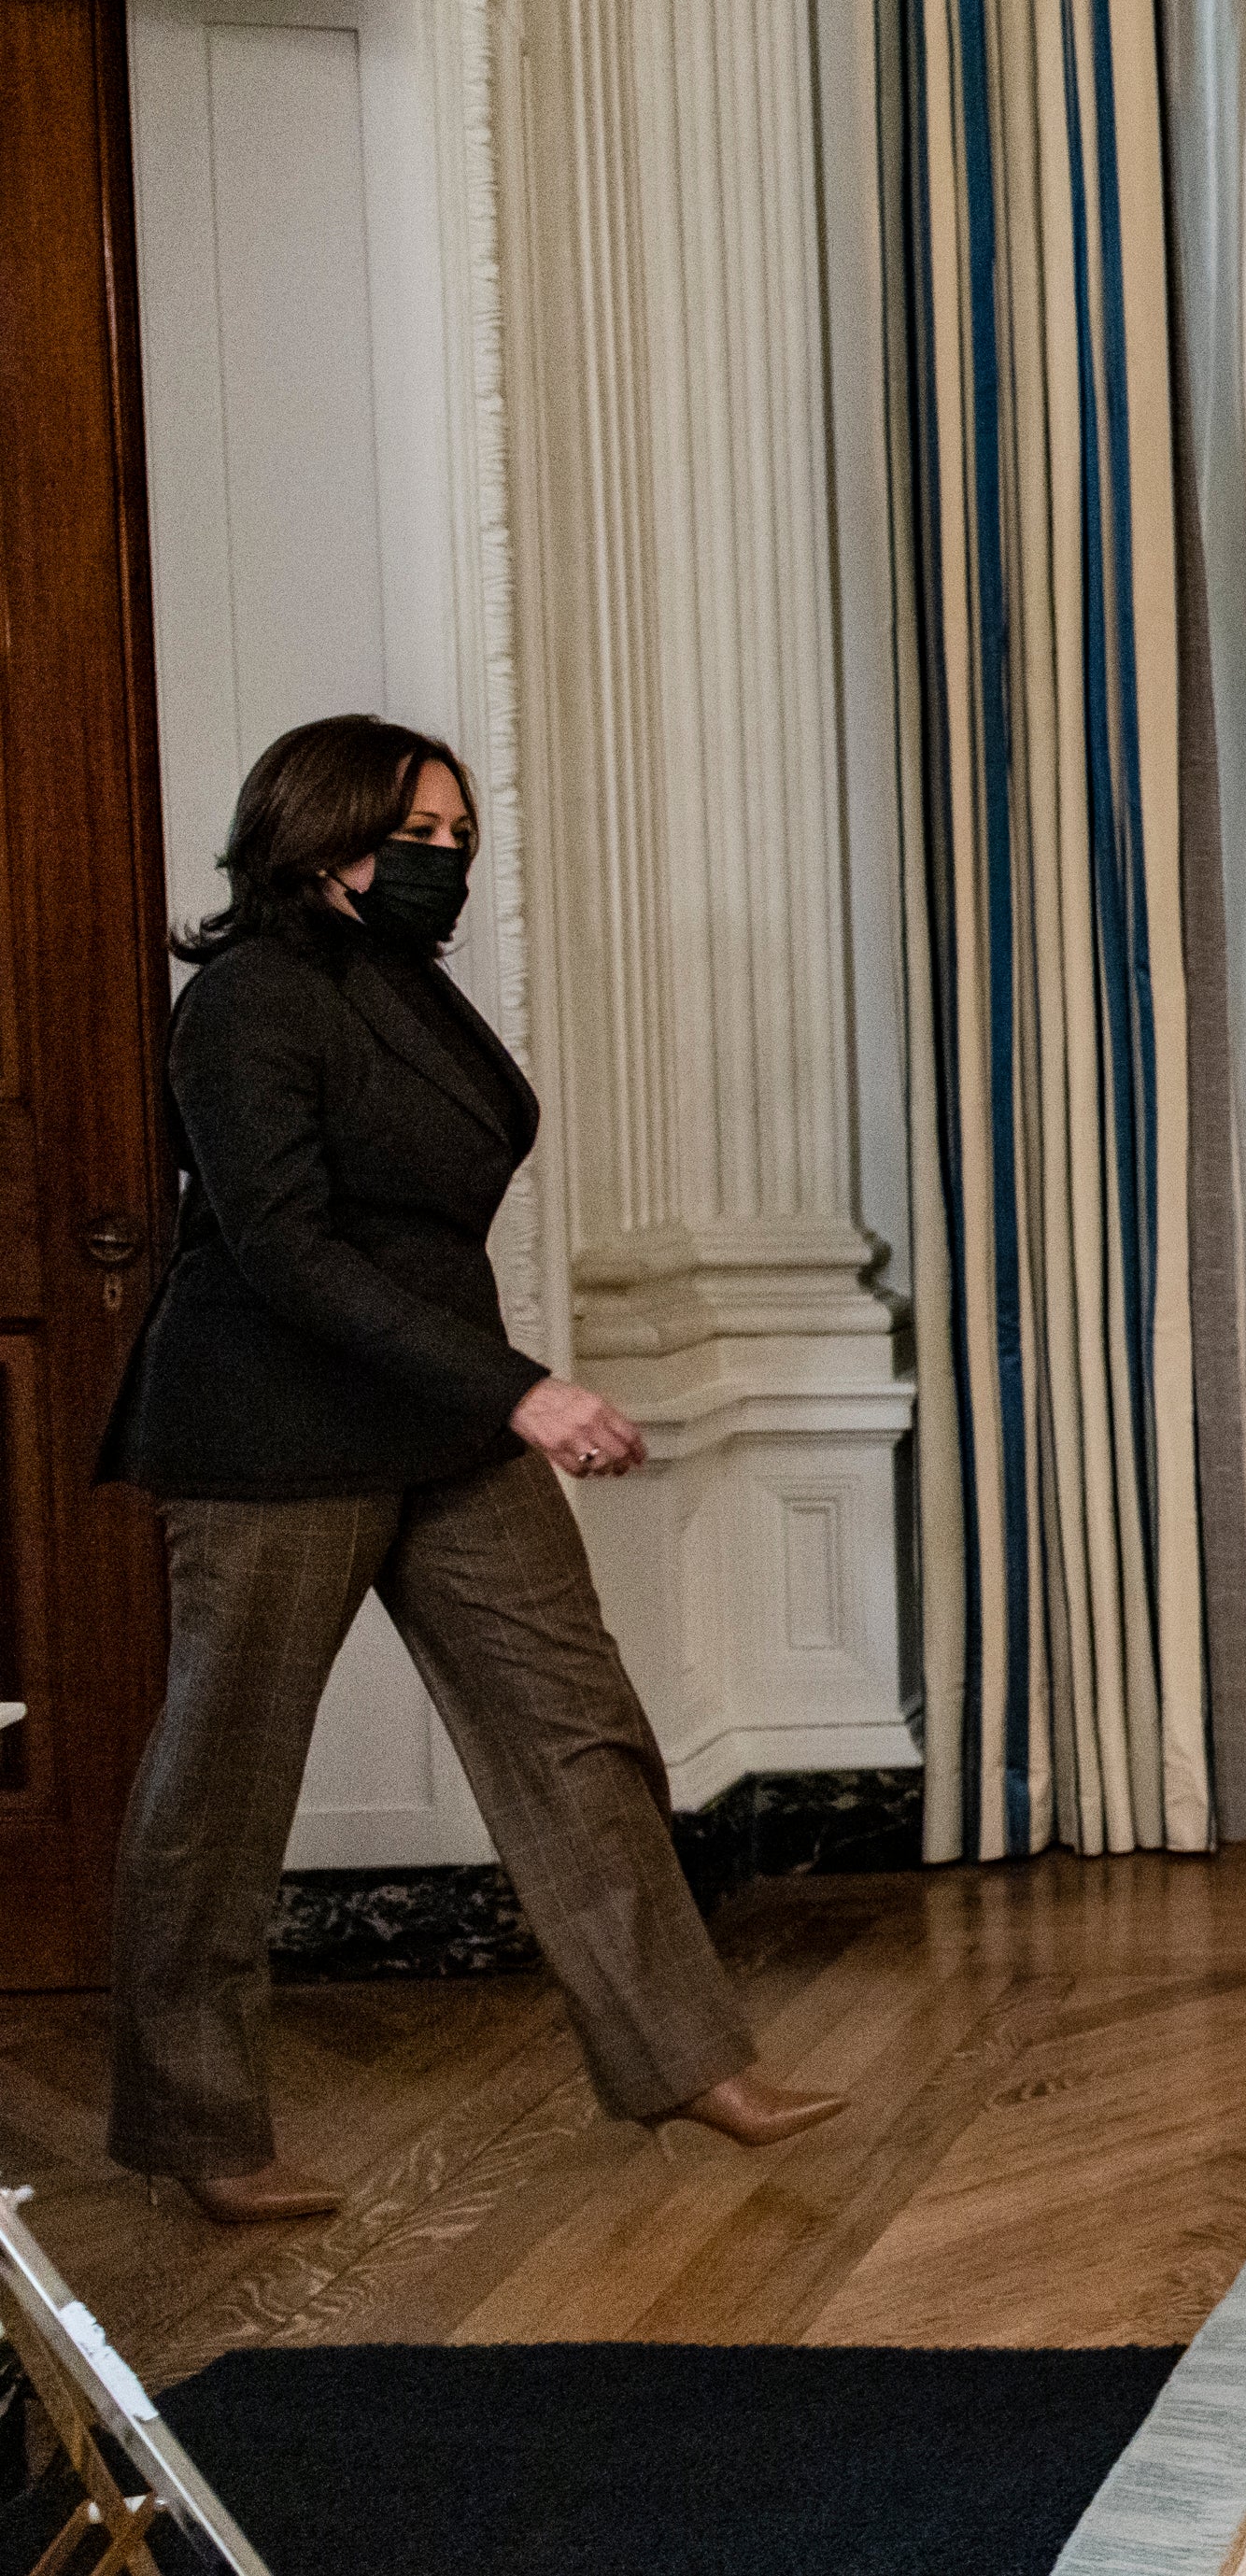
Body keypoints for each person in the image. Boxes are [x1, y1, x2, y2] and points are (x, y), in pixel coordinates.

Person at [97, 716, 846, 2224]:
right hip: (272, 1436)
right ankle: (199, 2127)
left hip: (434, 1415)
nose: (443, 861)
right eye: (415, 834)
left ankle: (688, 2057)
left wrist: (492, 1395)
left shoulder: (404, 987)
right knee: (223, 1793)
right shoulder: (243, 1004)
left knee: (577, 1727)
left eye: (457, 838)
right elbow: (287, 1252)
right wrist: (526, 1392)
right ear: (319, 835)